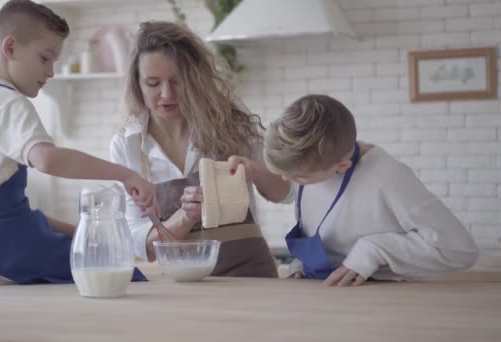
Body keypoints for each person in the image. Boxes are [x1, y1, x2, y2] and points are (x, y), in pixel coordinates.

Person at [0, 0, 157, 285]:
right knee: (120, 270)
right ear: (10, 48)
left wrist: (76, 230)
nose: (51, 71)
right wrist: (126, 174)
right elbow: (48, 159)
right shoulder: (7, 101)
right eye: (45, 58)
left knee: (88, 251)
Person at [110, 21, 294, 278]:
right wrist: (184, 218)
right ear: (137, 85)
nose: (167, 94)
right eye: (153, 83)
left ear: (195, 78)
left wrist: (255, 172)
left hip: (252, 276)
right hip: (184, 285)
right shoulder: (127, 145)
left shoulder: (231, 125)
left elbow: (286, 192)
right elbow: (142, 246)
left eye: (177, 81)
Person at [264, 94, 479, 286]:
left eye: (300, 177)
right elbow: (329, 231)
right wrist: (302, 263)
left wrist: (374, 250)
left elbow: (460, 250)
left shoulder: (387, 176)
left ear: (342, 166)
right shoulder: (312, 165)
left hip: (385, 302)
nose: (287, 179)